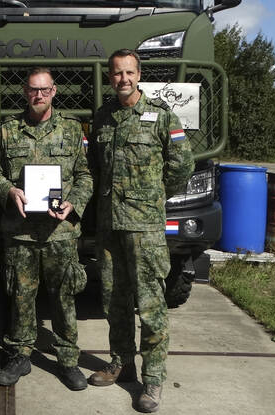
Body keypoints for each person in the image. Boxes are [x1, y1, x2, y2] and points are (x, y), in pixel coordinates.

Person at [86, 49, 193, 413]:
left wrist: (154, 195)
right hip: (109, 226)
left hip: (144, 226)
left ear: (139, 74)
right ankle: (121, 362)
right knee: (113, 300)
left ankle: (153, 379)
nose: (123, 79)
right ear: (110, 77)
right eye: (117, 73)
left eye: (129, 72)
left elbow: (181, 166)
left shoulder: (162, 117)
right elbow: (94, 167)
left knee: (150, 304)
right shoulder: (102, 118)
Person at [0, 67, 93, 391]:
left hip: (59, 233)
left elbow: (86, 174)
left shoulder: (72, 130)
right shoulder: (7, 131)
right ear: (24, 91)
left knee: (64, 298)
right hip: (20, 233)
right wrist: (9, 191)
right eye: (33, 90)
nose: (39, 95)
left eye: (44, 90)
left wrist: (74, 202)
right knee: (20, 297)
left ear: (54, 91)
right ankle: (19, 354)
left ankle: (68, 360)